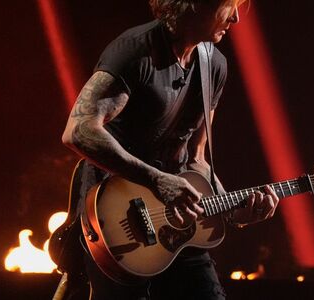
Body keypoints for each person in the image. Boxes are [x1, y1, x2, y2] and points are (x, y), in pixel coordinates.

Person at [60, 0, 279, 298]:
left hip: (175, 217)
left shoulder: (214, 66)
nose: (237, 18)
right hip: (113, 211)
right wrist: (157, 180)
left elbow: (197, 158)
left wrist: (232, 210)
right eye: (230, 5)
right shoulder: (135, 50)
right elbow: (78, 130)